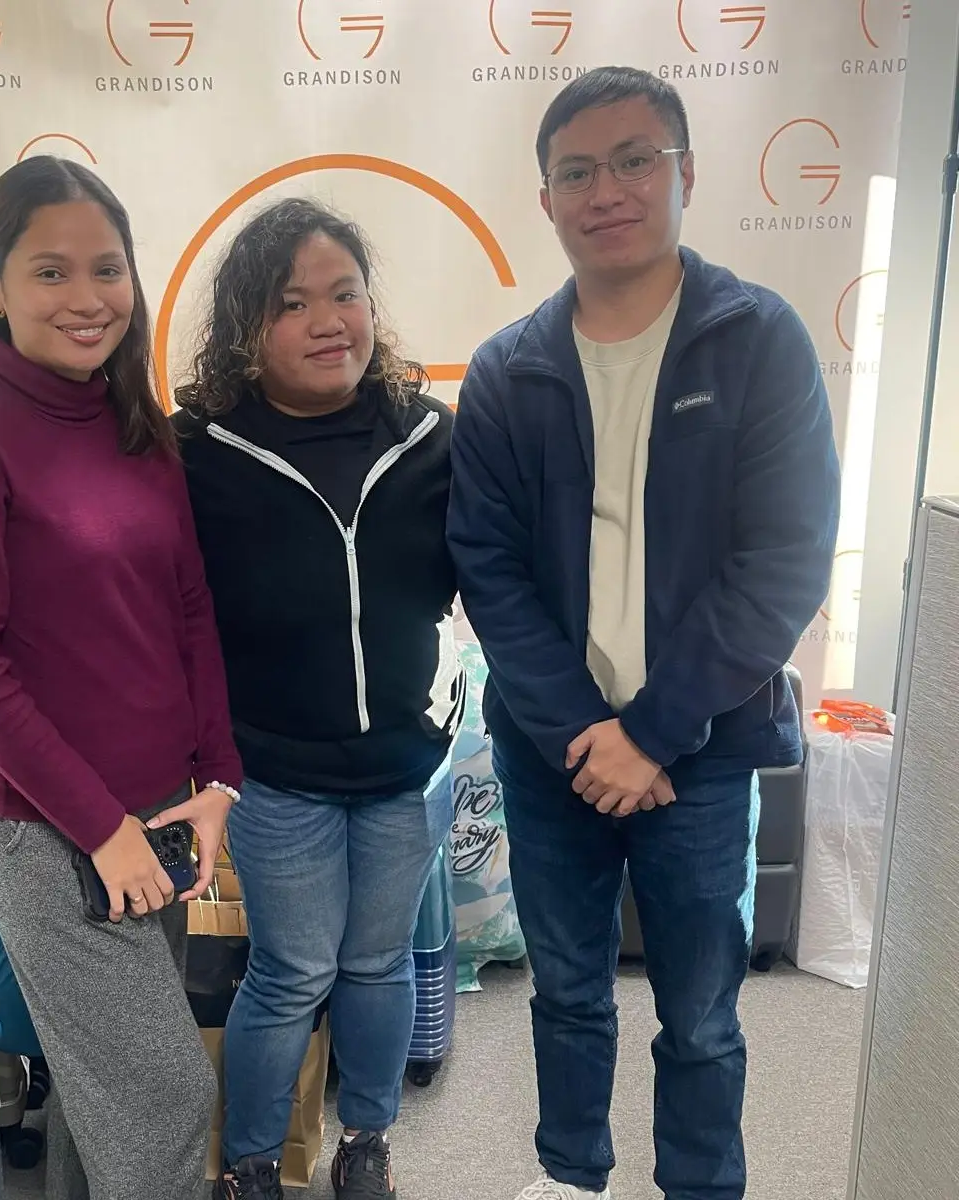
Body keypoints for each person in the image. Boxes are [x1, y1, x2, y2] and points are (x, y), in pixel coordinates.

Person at [447, 67, 841, 1200]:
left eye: (635, 160)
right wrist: (587, 733)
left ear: (685, 173)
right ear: (546, 198)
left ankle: (700, 1185)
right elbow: (489, 569)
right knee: (567, 992)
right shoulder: (508, 370)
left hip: (703, 750)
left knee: (703, 1014)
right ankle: (571, 1175)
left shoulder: (757, 340)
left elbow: (783, 561)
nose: (606, 190)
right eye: (577, 171)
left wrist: (655, 732)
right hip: (554, 752)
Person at [0, 155, 243, 1200]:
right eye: (51, 272)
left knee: (109, 1096)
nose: (87, 298)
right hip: (44, 825)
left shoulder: (135, 425)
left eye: (107, 269)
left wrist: (218, 780)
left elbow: (189, 609)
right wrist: (101, 828)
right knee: (163, 1096)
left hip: (159, 806)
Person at [171, 196, 462, 1200]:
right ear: (247, 329)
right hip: (273, 767)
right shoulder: (198, 451)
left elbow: (497, 574)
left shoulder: (429, 436)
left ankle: (367, 1142)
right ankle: (253, 1162)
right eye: (293, 304)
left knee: (377, 964)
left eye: (346, 294)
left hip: (403, 764)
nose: (328, 321)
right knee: (292, 972)